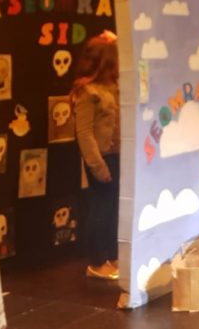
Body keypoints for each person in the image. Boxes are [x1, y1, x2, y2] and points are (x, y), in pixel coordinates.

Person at [72, 31, 121, 280]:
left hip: (118, 155)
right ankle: (96, 261)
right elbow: (84, 132)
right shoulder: (88, 92)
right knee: (101, 208)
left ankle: (113, 255)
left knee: (115, 209)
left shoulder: (115, 87)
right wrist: (97, 165)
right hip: (102, 158)